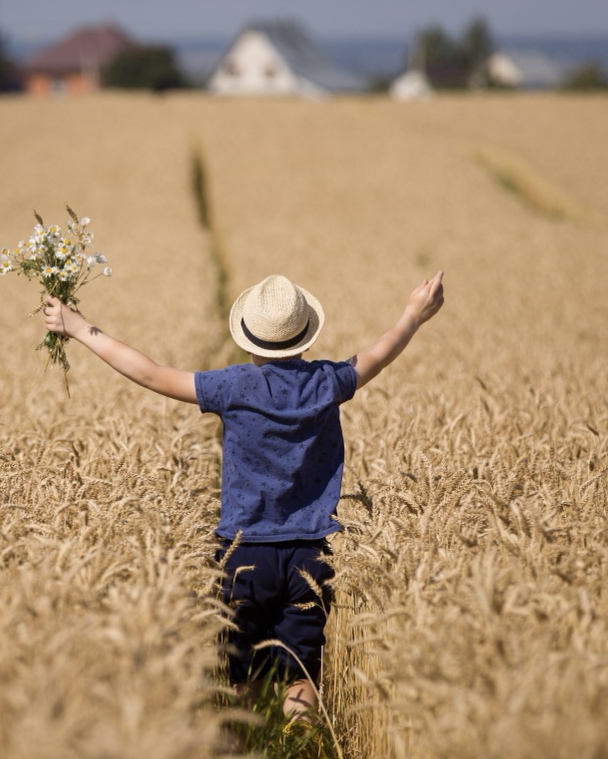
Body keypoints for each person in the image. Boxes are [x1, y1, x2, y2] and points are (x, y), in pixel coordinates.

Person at [42, 271, 445, 718]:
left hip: (241, 555)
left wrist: (79, 328)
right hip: (309, 556)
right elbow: (380, 352)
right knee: (301, 674)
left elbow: (150, 373)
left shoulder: (231, 387)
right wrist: (414, 314)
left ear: (250, 340)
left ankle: (243, 757)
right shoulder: (326, 383)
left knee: (238, 677)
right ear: (304, 338)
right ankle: (300, 746)